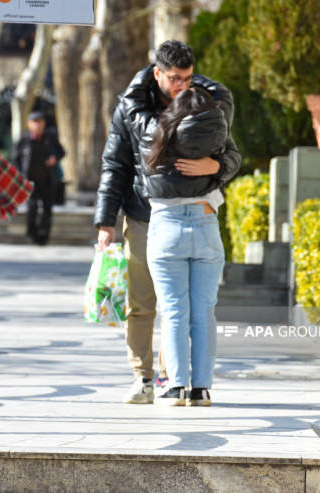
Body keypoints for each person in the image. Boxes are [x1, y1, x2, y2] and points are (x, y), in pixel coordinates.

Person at [94, 40, 241, 404]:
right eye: (174, 78)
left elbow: (230, 152)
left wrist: (217, 168)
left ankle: (170, 379)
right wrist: (105, 219)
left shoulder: (206, 101)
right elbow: (115, 164)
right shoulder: (131, 107)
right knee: (143, 303)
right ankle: (142, 377)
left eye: (187, 77)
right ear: (157, 73)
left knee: (177, 306)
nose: (181, 86)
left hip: (191, 216)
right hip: (144, 215)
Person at [140, 87, 237, 406]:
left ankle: (177, 386)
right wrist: (215, 167)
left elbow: (132, 112)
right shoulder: (217, 138)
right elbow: (234, 157)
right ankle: (202, 389)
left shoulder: (156, 133)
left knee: (173, 311)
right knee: (204, 312)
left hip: (166, 226)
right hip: (205, 223)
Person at [10, 111, 65, 245]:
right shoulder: (24, 139)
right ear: (29, 124)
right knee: (32, 207)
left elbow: (61, 151)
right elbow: (14, 159)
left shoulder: (51, 137)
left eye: (39, 122)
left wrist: (54, 158)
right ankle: (31, 234)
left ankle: (44, 235)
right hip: (30, 181)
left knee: (47, 208)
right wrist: (19, 176)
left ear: (44, 124)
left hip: (47, 180)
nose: (37, 126)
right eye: (34, 123)